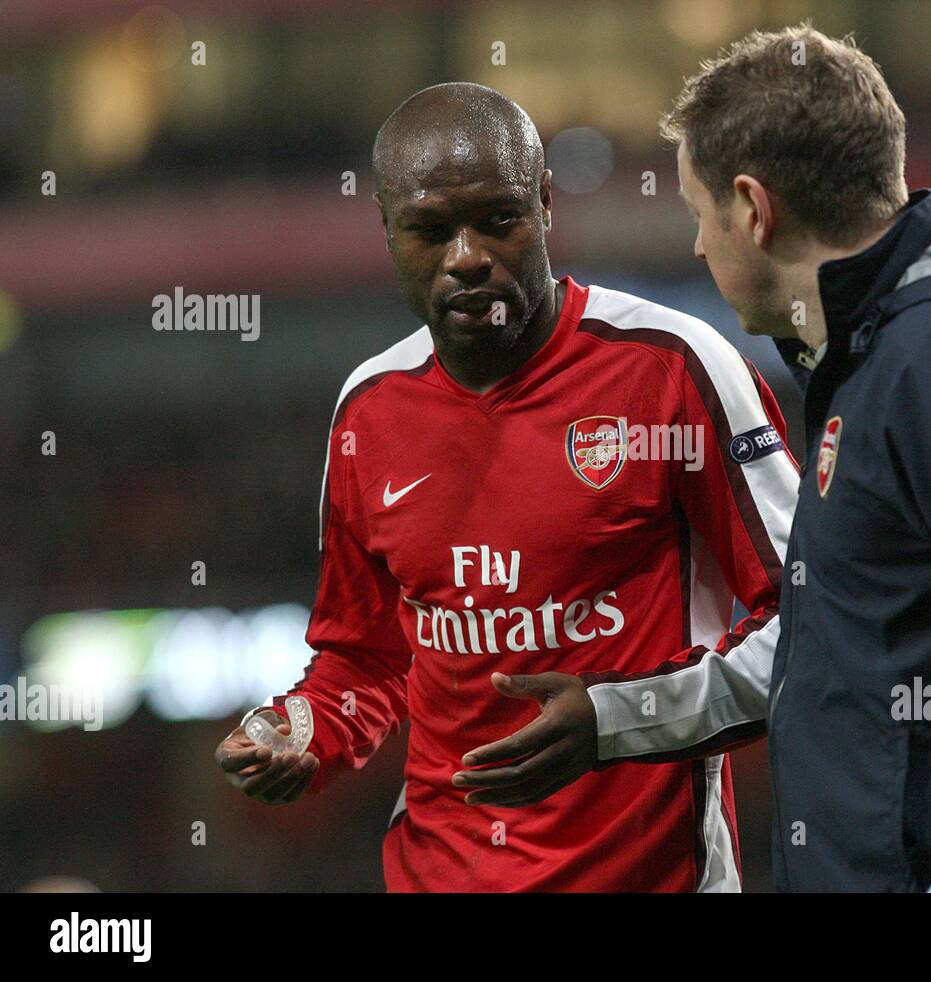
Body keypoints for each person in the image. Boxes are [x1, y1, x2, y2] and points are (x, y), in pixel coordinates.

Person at [457, 26, 931, 893]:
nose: (699, 247)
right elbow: (846, 651)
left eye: (699, 215)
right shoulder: (883, 358)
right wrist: (620, 714)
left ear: (754, 208)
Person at [213, 82, 799, 892]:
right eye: (428, 229)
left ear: (546, 207)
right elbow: (368, 655)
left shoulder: (675, 370)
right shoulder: (369, 411)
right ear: (387, 232)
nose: (465, 257)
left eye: (497, 220)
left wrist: (616, 722)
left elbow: (815, 624)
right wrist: (300, 727)